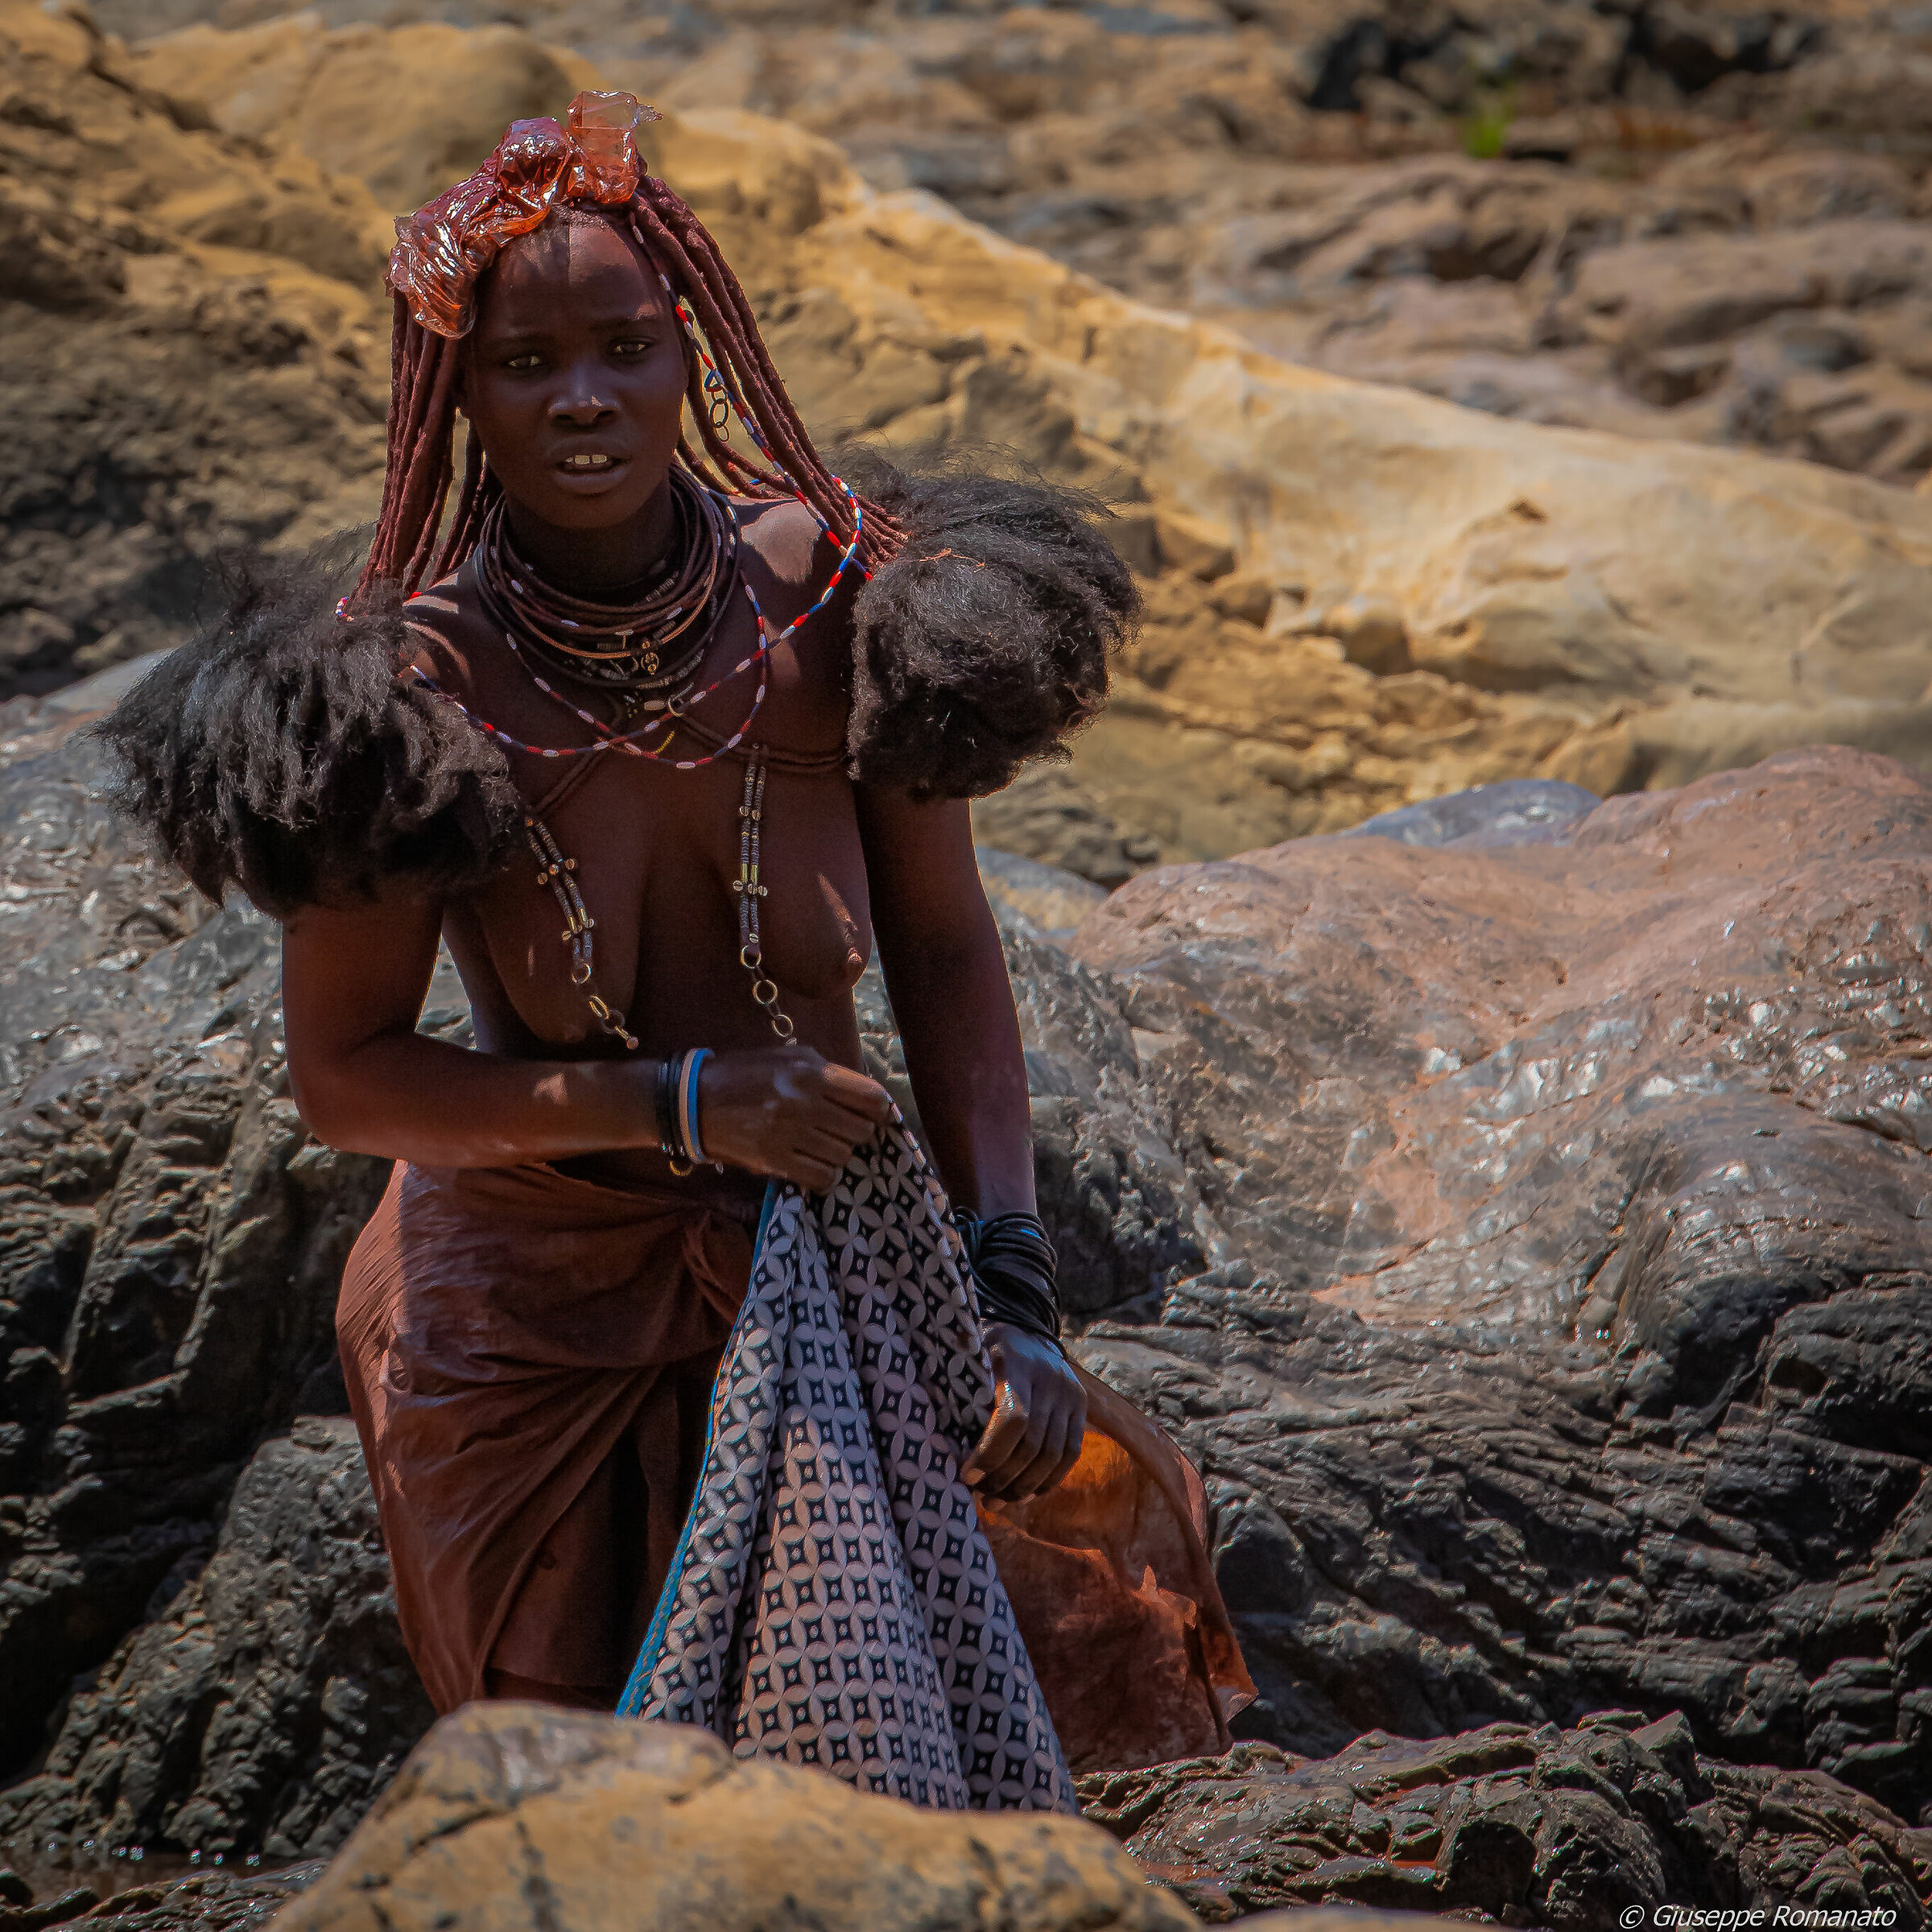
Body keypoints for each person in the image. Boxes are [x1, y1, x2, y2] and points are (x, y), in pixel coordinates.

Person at [99, 91, 1249, 1810]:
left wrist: (1010, 1284)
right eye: (526, 361)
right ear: (456, 394)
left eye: (628, 347)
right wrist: (690, 1103)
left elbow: (941, 950)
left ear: (694, 353)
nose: (583, 399)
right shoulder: (411, 693)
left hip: (848, 1254)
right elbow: (349, 1081)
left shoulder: (840, 603)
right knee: (601, 1796)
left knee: (1015, 1695)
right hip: (528, 1328)